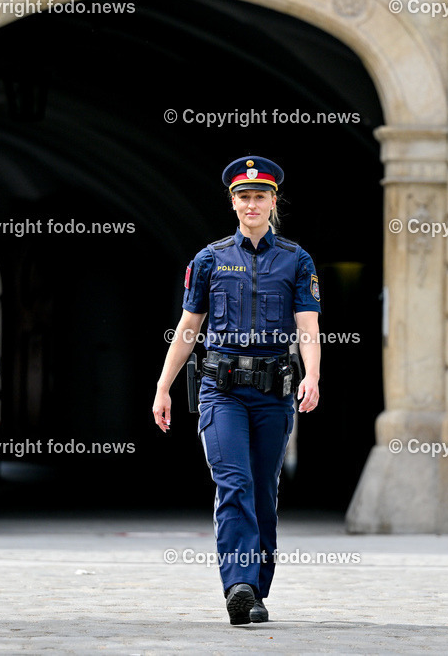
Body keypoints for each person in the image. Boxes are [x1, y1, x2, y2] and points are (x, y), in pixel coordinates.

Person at [153, 156, 321, 625]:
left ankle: (257, 592)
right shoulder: (209, 260)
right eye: (243, 197)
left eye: (260, 196)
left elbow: (308, 327)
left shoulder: (295, 259)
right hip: (220, 390)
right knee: (235, 484)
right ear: (233, 203)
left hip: (273, 392)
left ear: (272, 202)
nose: (252, 204)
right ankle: (239, 585)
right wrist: (163, 387)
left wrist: (313, 375)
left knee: (264, 491)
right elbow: (188, 328)